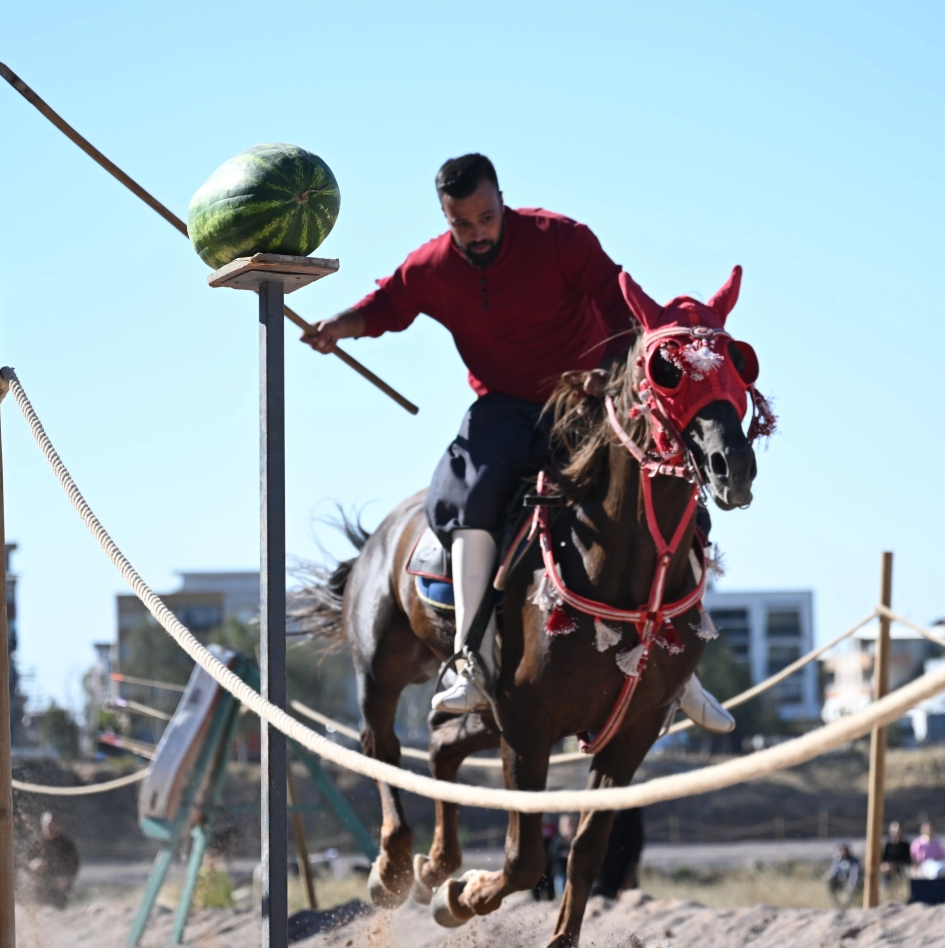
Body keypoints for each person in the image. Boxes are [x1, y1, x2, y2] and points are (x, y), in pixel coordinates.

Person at [301, 154, 733, 731]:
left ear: (502, 199)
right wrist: (337, 327)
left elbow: (621, 304)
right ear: (445, 218)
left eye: (486, 217)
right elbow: (386, 305)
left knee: (663, 489)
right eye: (462, 224)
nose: (477, 233)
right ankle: (468, 664)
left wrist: (607, 376)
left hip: (587, 398)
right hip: (504, 406)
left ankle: (681, 674)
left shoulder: (561, 238)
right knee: (467, 497)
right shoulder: (431, 266)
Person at [21, 811, 79, 908]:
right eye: (49, 825)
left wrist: (66, 878)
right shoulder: (36, 842)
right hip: (39, 886)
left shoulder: (67, 844)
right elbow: (25, 860)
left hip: (59, 888)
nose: (52, 828)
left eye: (54, 825)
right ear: (43, 826)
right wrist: (33, 865)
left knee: (58, 908)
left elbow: (74, 864)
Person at [591, 807, 644, 898]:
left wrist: (630, 875)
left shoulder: (629, 807)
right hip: (597, 874)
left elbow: (636, 843)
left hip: (620, 873)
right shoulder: (595, 802)